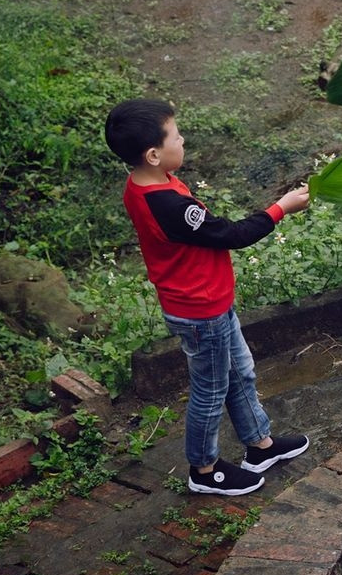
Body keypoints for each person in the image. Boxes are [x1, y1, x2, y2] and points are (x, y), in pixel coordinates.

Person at [106, 99, 312, 496]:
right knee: (211, 390)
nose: (182, 139)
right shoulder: (168, 205)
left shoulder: (148, 181)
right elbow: (232, 235)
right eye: (176, 135)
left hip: (210, 301)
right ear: (153, 153)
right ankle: (204, 469)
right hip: (200, 311)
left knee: (240, 372)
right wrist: (281, 207)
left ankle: (260, 445)